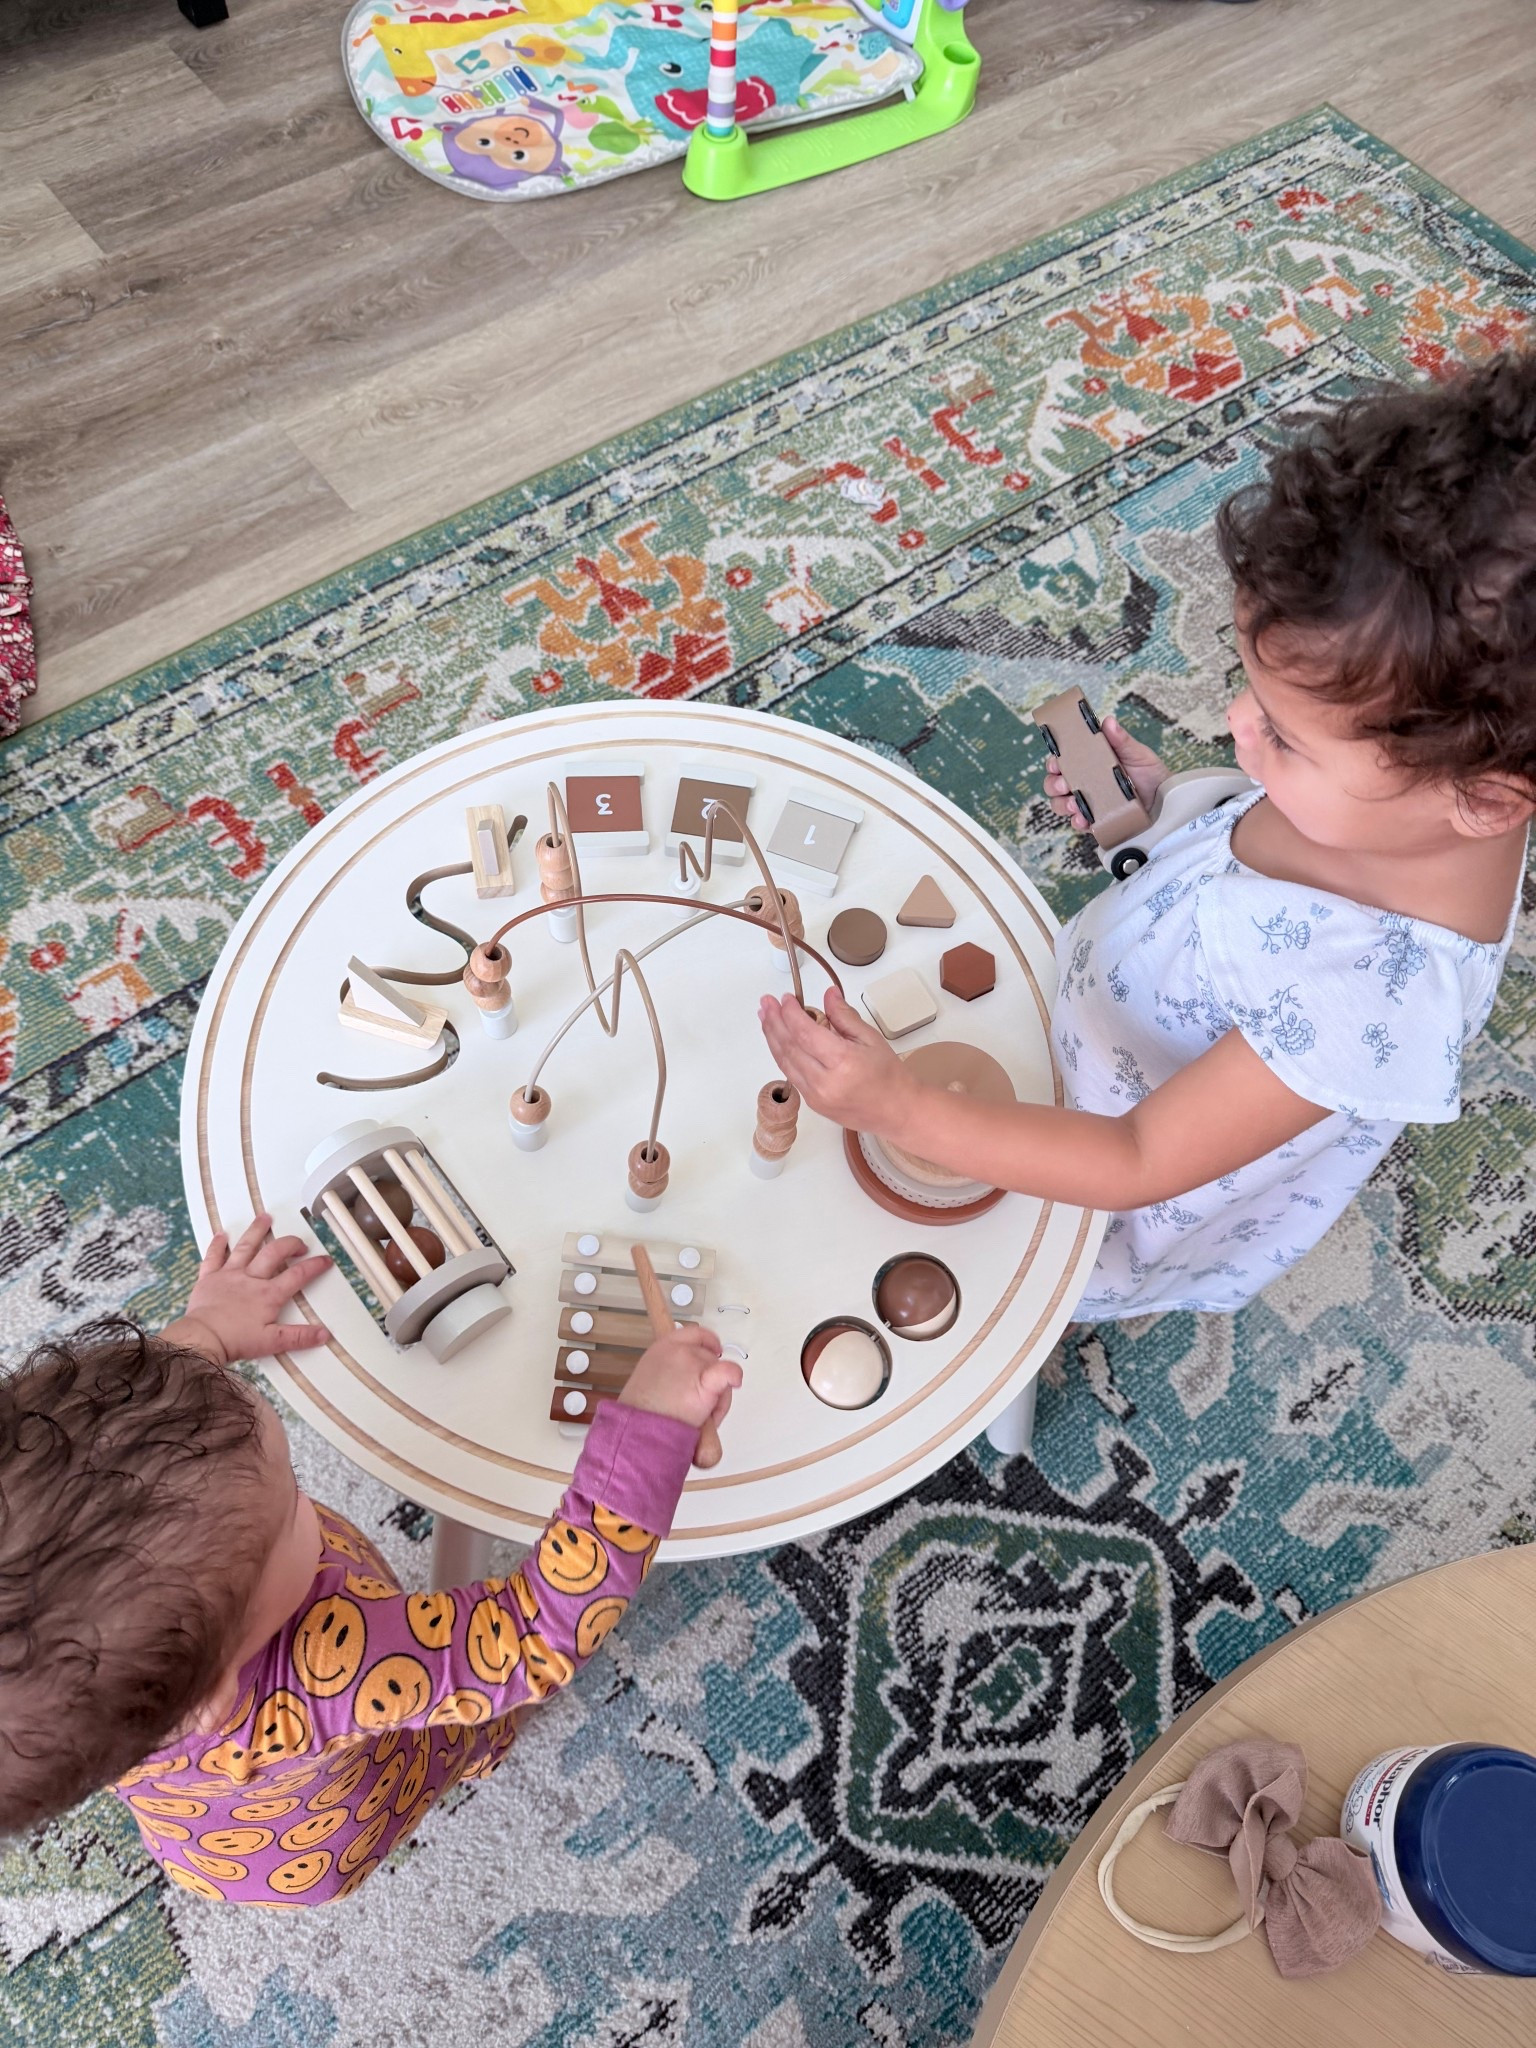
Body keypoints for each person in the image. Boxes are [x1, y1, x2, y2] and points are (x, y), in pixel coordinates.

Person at [762, 350, 1536, 1321]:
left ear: (1487, 799)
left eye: (1285, 737)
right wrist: (1161, 813)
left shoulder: (1368, 995)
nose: (1236, 724)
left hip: (1104, 1151)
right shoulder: (1427, 805)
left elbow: (1135, 1159)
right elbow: (1258, 863)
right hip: (1108, 1022)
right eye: (1252, 692)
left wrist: (903, 1110)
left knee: (1020, 1261)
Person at [0, 1218, 739, 1905]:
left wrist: (202, 1337)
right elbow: (533, 1635)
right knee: (467, 1714)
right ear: (217, 1689)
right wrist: (647, 1432)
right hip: (325, 1837)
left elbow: (106, 1455)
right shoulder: (332, 1663)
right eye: (292, 1498)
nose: (303, 1497)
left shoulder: (100, 1689)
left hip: (192, 1835)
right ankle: (479, 1746)